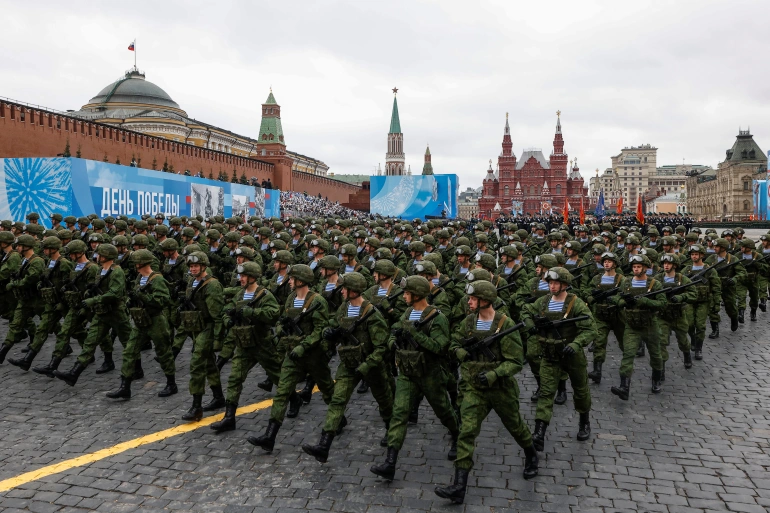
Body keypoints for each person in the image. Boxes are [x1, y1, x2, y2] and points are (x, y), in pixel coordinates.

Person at [435, 280, 537, 504]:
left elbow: (516, 362)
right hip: (474, 388)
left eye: (472, 298)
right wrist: (461, 353)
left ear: (484, 300)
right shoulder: (469, 322)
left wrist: (494, 374)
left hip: (500, 389)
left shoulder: (505, 323)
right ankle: (459, 485)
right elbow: (453, 342)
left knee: (515, 426)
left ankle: (531, 454)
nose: (468, 302)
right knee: (467, 432)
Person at [370, 276, 460, 482]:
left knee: (444, 411)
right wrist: (395, 343)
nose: (405, 296)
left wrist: (415, 335)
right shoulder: (408, 313)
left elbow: (439, 347)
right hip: (408, 373)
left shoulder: (437, 318)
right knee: (399, 414)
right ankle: (390, 463)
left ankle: (456, 434)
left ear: (418, 294)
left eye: (408, 293)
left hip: (430, 374)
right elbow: (394, 333)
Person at [302, 272, 394, 462]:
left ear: (354, 290)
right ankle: (324, 445)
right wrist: (330, 333)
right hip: (348, 363)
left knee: (384, 401)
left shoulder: (372, 314)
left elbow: (381, 347)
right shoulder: (344, 308)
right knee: (337, 400)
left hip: (371, 365)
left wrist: (367, 366)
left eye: (345, 288)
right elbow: (334, 324)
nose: (342, 291)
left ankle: (391, 433)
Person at [248, 264, 335, 452]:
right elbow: (280, 320)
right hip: (293, 355)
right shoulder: (291, 298)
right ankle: (269, 436)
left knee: (328, 389)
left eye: (292, 279)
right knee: (282, 393)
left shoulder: (317, 301)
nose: (289, 282)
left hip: (313, 355)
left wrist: (303, 346)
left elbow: (321, 329)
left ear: (301, 280)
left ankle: (339, 419)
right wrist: (281, 329)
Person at [522, 267, 595, 453]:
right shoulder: (543, 302)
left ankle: (584, 421)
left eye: (556, 283)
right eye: (550, 283)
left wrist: (577, 344)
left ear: (565, 285)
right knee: (546, 393)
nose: (552, 286)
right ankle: (539, 433)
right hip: (549, 355)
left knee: (580, 390)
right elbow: (525, 310)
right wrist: (531, 325)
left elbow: (590, 329)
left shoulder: (575, 304)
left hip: (572, 356)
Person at [210, 262, 282, 434]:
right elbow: (228, 307)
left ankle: (294, 399)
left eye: (243, 276)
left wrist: (252, 313)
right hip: (243, 345)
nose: (240, 279)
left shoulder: (264, 295)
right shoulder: (241, 294)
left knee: (278, 376)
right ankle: (229, 417)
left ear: (252, 277)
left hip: (262, 345)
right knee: (235, 379)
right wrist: (228, 318)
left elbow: (273, 315)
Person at [54, 244, 133, 386]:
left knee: (128, 343)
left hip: (117, 313)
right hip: (101, 312)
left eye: (99, 254)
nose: (96, 256)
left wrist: (93, 300)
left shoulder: (117, 272)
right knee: (90, 342)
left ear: (105, 256)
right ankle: (74, 373)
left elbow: (115, 293)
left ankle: (136, 369)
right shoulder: (102, 270)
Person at [106, 249, 178, 400]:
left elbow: (162, 301)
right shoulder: (140, 277)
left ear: (141, 263)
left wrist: (142, 296)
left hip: (156, 321)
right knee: (129, 351)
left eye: (136, 263)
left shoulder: (157, 280)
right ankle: (125, 386)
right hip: (140, 321)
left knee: (163, 352)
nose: (134, 266)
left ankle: (171, 383)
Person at [608, 255, 665, 400]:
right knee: (628, 354)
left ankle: (656, 379)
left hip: (650, 325)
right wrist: (622, 302)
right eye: (634, 267)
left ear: (645, 268)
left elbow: (662, 303)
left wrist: (645, 301)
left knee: (656, 354)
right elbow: (617, 298)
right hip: (631, 326)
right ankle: (624, 387)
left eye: (639, 267)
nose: (636, 269)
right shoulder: (627, 282)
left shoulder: (654, 284)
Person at [178, 251, 225, 421]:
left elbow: (218, 316)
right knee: (210, 364)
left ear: (204, 266)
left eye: (196, 266)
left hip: (208, 327)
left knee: (197, 365)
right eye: (191, 266)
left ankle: (196, 406)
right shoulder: (191, 281)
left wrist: (218, 339)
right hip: (196, 327)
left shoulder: (212, 285)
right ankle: (219, 397)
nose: (193, 269)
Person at [0, 235, 45, 364]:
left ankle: (67, 347)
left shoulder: (36, 261)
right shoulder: (25, 260)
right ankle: (2, 352)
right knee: (15, 324)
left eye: (20, 245)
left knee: (52, 326)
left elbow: (30, 279)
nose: (17, 248)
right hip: (24, 299)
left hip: (37, 300)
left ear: (26, 247)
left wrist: (14, 284)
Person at [654, 254, 697, 376]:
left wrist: (681, 297)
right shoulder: (657, 279)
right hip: (662, 316)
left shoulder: (682, 279)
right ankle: (661, 368)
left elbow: (693, 294)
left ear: (675, 265)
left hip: (678, 315)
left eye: (668, 263)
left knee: (683, 340)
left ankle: (687, 353)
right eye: (664, 263)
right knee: (661, 342)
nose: (666, 265)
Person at [681, 245, 721, 360]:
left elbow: (716, 287)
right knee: (689, 324)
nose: (693, 256)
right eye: (692, 254)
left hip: (704, 301)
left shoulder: (709, 270)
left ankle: (698, 348)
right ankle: (693, 339)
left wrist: (716, 302)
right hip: (689, 301)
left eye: (696, 254)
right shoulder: (686, 270)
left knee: (700, 325)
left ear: (702, 255)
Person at [705, 238, 746, 333]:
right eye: (714, 246)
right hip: (714, 287)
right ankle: (715, 330)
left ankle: (734, 318)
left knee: (730, 306)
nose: (714, 248)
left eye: (717, 246)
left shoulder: (733, 259)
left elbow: (742, 272)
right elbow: (705, 270)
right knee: (713, 307)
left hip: (728, 286)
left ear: (723, 248)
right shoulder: (711, 258)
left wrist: (734, 279)